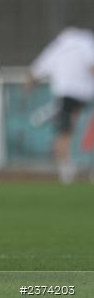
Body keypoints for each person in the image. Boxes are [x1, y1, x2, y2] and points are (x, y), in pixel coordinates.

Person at [26, 25, 94, 184]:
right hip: (87, 93)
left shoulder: (58, 46)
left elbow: (37, 70)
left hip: (66, 94)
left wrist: (29, 83)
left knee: (64, 132)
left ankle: (66, 170)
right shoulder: (87, 41)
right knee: (74, 128)